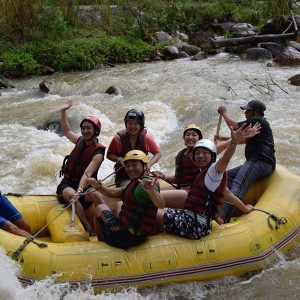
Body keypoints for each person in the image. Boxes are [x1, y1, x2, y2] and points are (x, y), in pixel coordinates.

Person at [156, 124, 248, 240]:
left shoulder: (213, 172)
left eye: (205, 153)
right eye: (198, 153)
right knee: (158, 211)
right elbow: (178, 179)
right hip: (193, 218)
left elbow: (226, 158)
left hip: (195, 225)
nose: (201, 156)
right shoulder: (198, 169)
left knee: (153, 211)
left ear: (212, 155)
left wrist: (234, 141)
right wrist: (164, 176)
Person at [87, 150, 165, 249]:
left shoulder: (146, 185)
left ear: (144, 166)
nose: (130, 169)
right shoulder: (137, 182)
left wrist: (152, 192)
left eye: (134, 165)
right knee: (120, 203)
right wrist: (98, 187)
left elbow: (161, 205)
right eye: (127, 166)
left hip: (123, 237)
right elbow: (112, 193)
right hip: (140, 236)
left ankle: (102, 242)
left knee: (100, 207)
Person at [217, 100, 276, 223]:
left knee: (238, 186)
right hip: (260, 163)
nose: (245, 112)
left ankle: (222, 218)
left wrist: (224, 113)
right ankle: (215, 206)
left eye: (248, 110)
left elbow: (234, 126)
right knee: (226, 176)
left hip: (260, 161)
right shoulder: (258, 124)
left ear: (256, 112)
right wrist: (223, 138)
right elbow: (243, 139)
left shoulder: (257, 120)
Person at [56, 99, 106, 235]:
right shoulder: (79, 140)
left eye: (89, 128)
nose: (85, 131)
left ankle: (109, 222)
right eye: (83, 128)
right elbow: (67, 131)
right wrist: (63, 112)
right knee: (71, 195)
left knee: (95, 194)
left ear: (96, 131)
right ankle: (88, 228)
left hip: (85, 186)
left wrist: (80, 190)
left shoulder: (98, 153)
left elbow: (87, 174)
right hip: (68, 184)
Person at [106, 109, 161, 187]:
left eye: (136, 124)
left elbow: (158, 153)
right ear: (126, 124)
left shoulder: (146, 138)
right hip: (124, 173)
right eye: (130, 123)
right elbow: (109, 155)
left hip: (141, 172)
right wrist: (119, 159)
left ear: (141, 125)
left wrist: (149, 164)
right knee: (131, 188)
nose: (132, 126)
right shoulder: (117, 139)